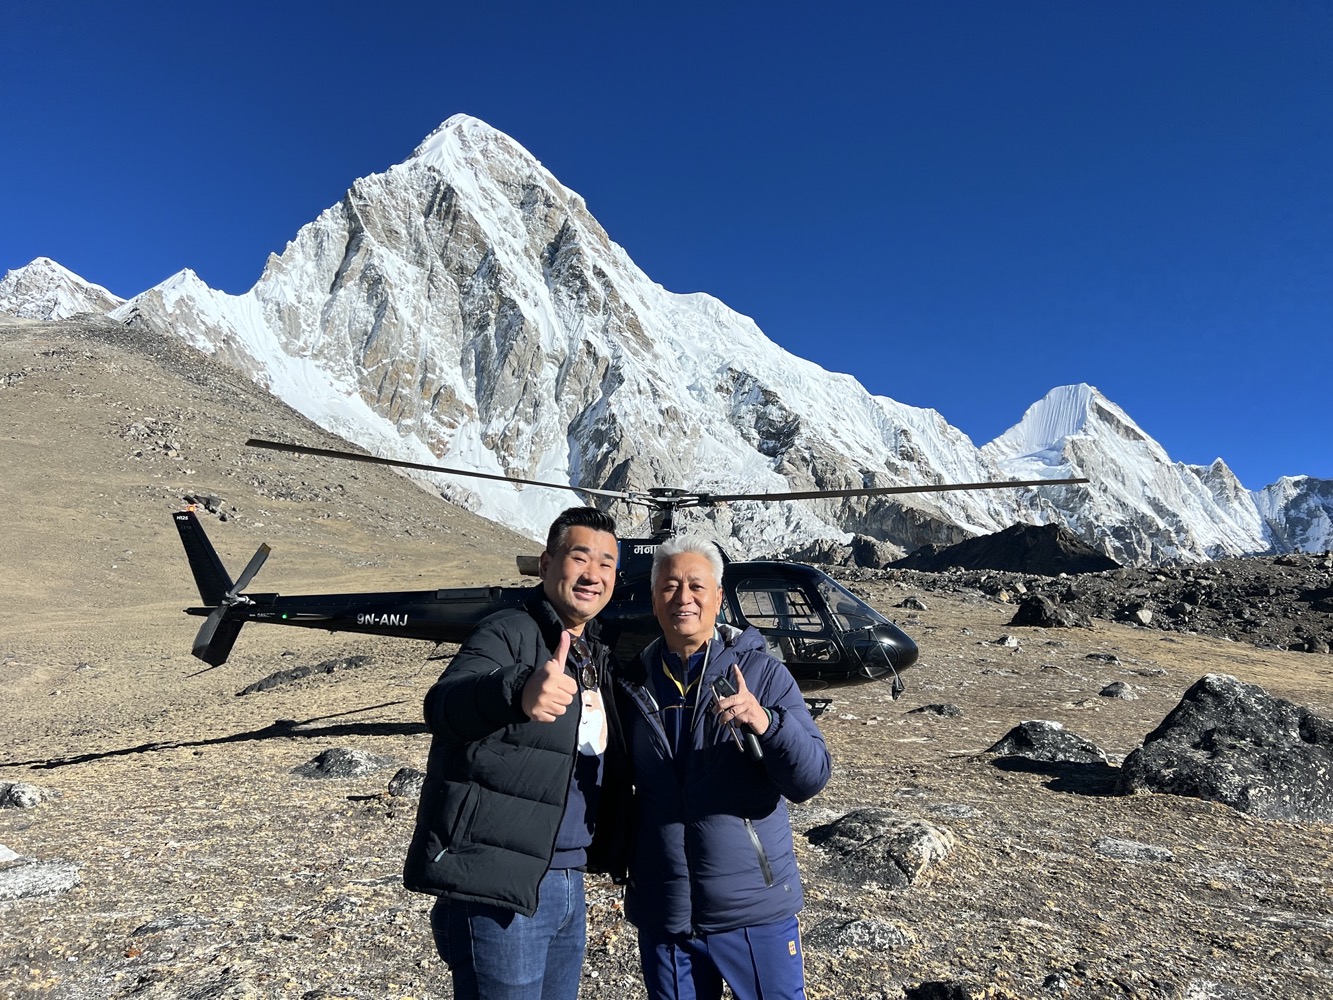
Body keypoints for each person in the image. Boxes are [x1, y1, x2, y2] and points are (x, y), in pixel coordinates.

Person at [403, 505, 628, 1000]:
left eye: (607, 563)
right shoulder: (507, 630)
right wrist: (517, 690)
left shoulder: (594, 654)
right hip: (495, 884)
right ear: (546, 565)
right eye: (580, 557)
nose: (594, 574)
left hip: (567, 877)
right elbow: (442, 704)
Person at [614, 534, 832, 1000]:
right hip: (666, 913)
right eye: (670, 586)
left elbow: (811, 776)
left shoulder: (763, 673)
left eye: (697, 585)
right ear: (654, 600)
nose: (683, 597)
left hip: (752, 910)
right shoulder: (632, 683)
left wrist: (768, 724)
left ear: (718, 597)